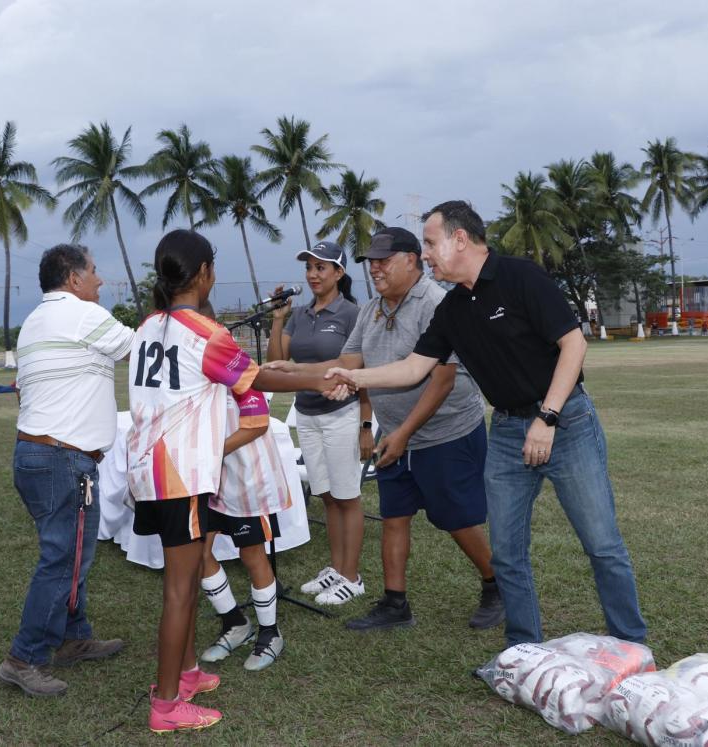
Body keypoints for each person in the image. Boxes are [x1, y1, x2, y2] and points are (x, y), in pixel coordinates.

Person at [326, 201, 647, 650]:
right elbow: (414, 367)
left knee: (601, 544)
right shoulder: (454, 308)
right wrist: (354, 376)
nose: (429, 255)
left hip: (565, 421)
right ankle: (523, 652)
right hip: (509, 431)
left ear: (461, 239)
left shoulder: (521, 277)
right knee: (507, 554)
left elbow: (574, 344)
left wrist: (547, 417)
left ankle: (631, 645)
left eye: (432, 245)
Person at [128, 230, 342, 733]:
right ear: (204, 273)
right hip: (179, 476)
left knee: (183, 578)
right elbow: (258, 379)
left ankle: (186, 674)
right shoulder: (205, 333)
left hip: (148, 471)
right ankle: (166, 705)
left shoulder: (147, 327)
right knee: (179, 590)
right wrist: (318, 377)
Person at [267, 228, 504, 632]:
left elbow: (443, 380)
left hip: (444, 432)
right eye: (371, 261)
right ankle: (396, 605)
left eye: (384, 260)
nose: (374, 268)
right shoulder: (373, 308)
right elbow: (350, 362)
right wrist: (297, 371)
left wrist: (405, 433)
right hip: (396, 432)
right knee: (395, 514)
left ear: (411, 260)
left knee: (455, 519)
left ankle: (497, 585)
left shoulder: (437, 304)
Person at [0, 244, 134, 699]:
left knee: (68, 553)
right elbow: (139, 347)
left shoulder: (36, 320)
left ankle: (74, 637)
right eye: (94, 271)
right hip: (63, 460)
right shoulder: (82, 315)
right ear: (73, 279)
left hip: (35, 456)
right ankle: (25, 657)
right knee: (62, 560)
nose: (100, 280)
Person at [266, 240, 370, 606]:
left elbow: (362, 370)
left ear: (339, 273)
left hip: (342, 414)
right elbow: (277, 362)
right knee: (327, 495)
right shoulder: (302, 313)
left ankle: (352, 577)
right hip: (307, 414)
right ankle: (337, 567)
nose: (312, 274)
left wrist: (366, 426)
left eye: (320, 267)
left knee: (347, 496)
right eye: (308, 267)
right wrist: (278, 320)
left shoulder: (352, 314)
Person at [197, 302, 291, 673]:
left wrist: (209, 453)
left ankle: (271, 633)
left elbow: (257, 423)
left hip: (247, 477)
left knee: (253, 555)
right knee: (197, 552)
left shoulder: (232, 362)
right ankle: (235, 623)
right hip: (207, 478)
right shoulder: (189, 366)